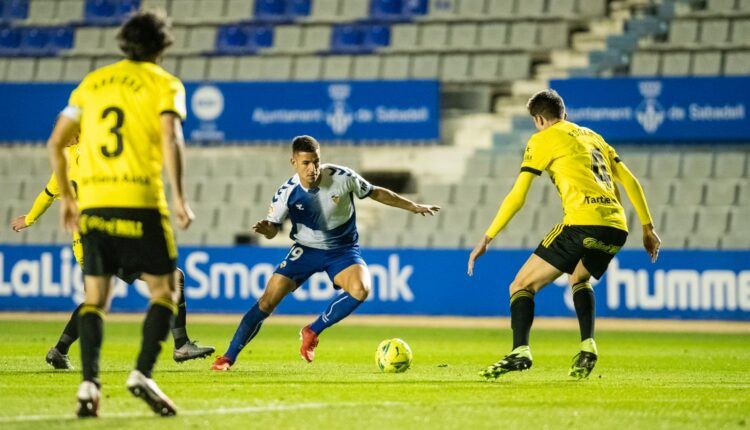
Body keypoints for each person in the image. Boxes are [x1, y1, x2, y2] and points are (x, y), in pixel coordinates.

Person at [47, 9, 194, 417]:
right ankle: (142, 373)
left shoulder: (91, 83)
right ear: (163, 45)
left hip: (94, 206)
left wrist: (71, 201)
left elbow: (56, 141)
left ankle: (89, 386)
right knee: (165, 291)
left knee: (95, 298)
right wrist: (180, 196)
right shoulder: (165, 83)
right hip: (142, 202)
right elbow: (170, 135)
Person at [467, 89, 661, 380]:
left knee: (520, 285)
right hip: (617, 226)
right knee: (579, 278)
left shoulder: (543, 138)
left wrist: (487, 237)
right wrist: (648, 227)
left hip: (582, 223)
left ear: (539, 119)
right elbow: (631, 181)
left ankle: (520, 350)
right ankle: (588, 346)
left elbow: (518, 195)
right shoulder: (593, 137)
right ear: (564, 113)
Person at [211, 135, 441, 371]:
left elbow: (376, 192)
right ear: (294, 163)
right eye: (306, 163)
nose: (312, 169)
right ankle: (228, 357)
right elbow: (272, 230)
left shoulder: (342, 177)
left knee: (361, 289)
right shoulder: (286, 193)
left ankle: (312, 331)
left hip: (342, 249)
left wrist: (412, 206)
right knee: (267, 302)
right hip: (306, 250)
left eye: (316, 162)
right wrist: (267, 229)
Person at [11, 136, 214, 371]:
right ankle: (179, 346)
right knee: (171, 278)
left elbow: (47, 194)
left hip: (85, 242)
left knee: (95, 298)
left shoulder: (63, 163)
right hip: (108, 236)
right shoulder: (88, 149)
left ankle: (60, 350)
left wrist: (29, 218)